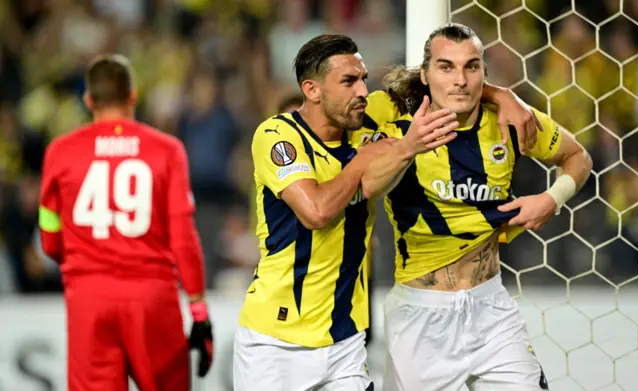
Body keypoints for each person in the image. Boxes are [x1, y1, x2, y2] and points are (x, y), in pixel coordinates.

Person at [361, 23, 593, 390]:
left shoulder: (510, 123)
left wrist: (552, 198)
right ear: (425, 74)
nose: (461, 79)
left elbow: (578, 156)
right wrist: (406, 149)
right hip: (421, 316)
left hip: (491, 308)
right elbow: (367, 183)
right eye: (445, 67)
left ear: (484, 72)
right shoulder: (397, 131)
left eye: (472, 66)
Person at [233, 34, 461, 391]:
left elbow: (447, 80)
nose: (362, 91)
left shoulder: (367, 117)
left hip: (345, 339)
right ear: (312, 90)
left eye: (363, 78)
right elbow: (317, 211)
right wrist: (365, 161)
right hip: (276, 343)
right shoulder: (278, 135)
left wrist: (501, 97)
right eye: (348, 81)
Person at [38, 54, 214, 391]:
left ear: (89, 100)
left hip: (88, 299)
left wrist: (82, 265)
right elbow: (183, 239)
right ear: (133, 96)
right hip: (151, 299)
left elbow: (49, 238)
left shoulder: (60, 152)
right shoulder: (166, 150)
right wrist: (199, 310)